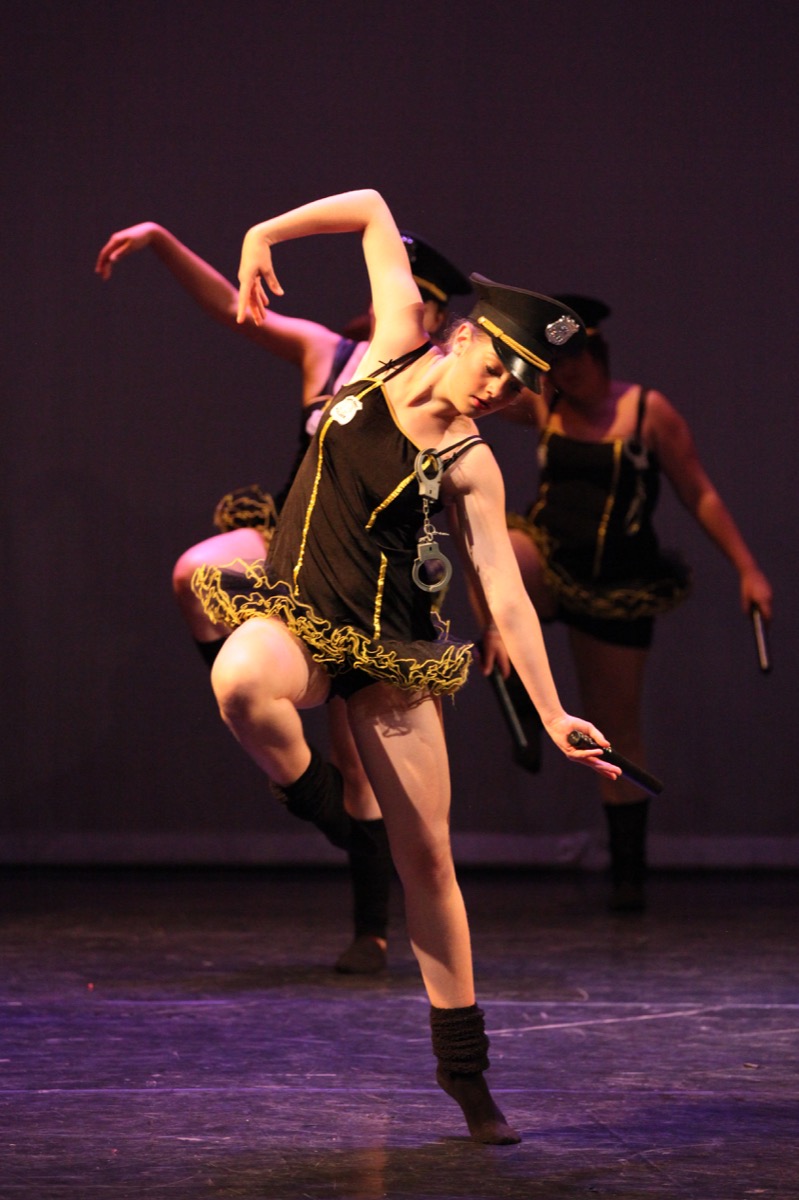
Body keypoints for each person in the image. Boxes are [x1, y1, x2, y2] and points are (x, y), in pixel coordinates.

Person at [190, 188, 622, 1144]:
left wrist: (552, 713)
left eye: (519, 382)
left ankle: (465, 1075)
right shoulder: (390, 343)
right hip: (301, 616)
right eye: (496, 364)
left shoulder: (471, 460)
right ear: (461, 336)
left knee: (427, 860)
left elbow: (504, 594)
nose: (500, 388)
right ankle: (318, 803)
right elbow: (371, 209)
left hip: (393, 652)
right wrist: (261, 232)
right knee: (239, 679)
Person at [95, 221, 471, 975]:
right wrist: (163, 242)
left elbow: (464, 502)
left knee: (359, 764)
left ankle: (370, 931)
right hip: (289, 538)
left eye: (407, 297)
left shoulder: (432, 382)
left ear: (430, 313)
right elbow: (233, 309)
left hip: (363, 576)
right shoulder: (325, 353)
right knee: (193, 573)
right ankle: (287, 753)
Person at [478, 295, 773, 912]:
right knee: (502, 549)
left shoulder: (646, 411)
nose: (569, 375)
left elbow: (699, 492)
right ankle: (516, 688)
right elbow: (476, 392)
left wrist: (747, 568)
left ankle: (628, 874)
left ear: (600, 355)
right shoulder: (546, 402)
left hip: (617, 585)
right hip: (552, 559)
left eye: (578, 362)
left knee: (614, 731)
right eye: (558, 366)